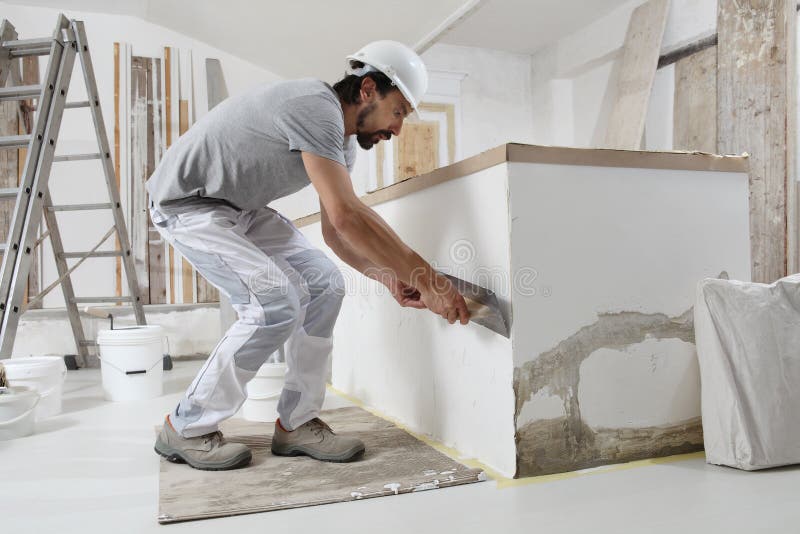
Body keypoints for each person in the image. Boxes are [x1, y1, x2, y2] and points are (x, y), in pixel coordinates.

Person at [148, 41, 470, 471]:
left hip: (237, 209)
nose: (397, 130)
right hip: (187, 206)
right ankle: (185, 426)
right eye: (399, 112)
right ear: (368, 88)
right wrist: (429, 281)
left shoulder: (342, 143)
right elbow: (347, 216)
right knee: (273, 304)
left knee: (324, 284)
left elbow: (335, 234)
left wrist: (388, 277)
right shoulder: (314, 106)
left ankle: (297, 422)